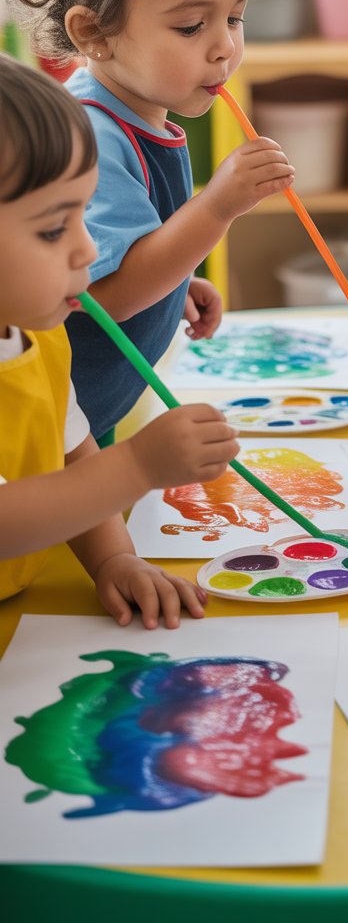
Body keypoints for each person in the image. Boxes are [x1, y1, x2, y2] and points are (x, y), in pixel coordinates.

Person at [13, 0, 295, 444]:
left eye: (235, 17)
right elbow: (106, 300)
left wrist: (176, 281)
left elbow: (129, 251)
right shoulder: (91, 135)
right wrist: (216, 208)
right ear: (94, 34)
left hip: (97, 413)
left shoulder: (141, 108)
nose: (224, 47)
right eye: (192, 26)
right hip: (64, 428)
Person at [0, 54, 240, 624]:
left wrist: (114, 559)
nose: (88, 249)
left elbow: (70, 455)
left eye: (84, 215)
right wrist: (137, 466)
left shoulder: (40, 338)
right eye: (55, 228)